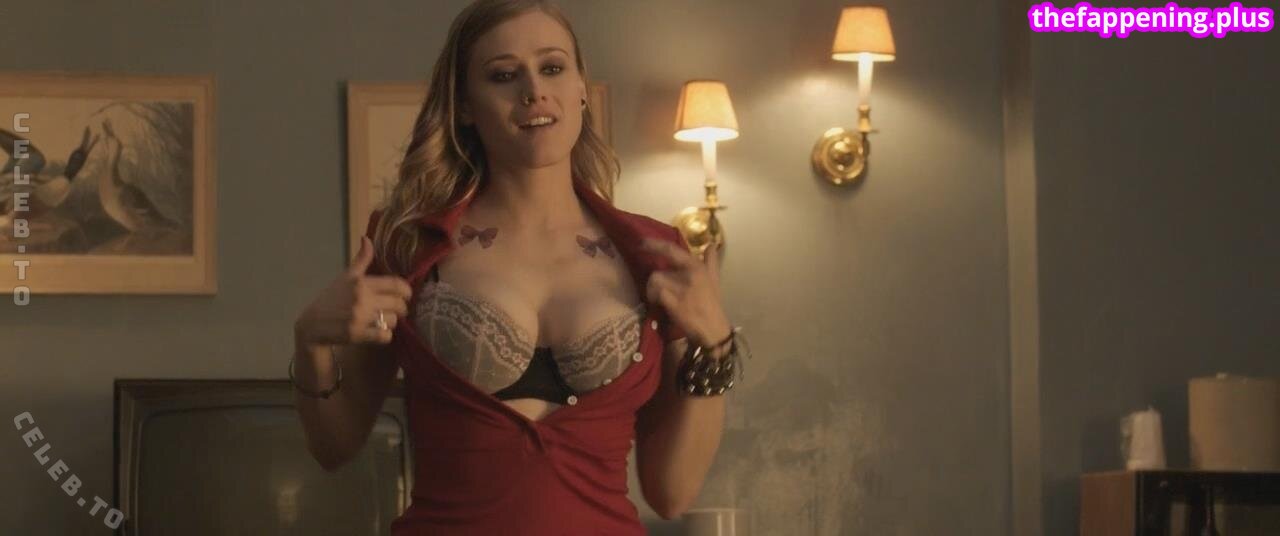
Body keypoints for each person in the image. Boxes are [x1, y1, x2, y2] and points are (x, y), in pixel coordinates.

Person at [290, 1, 751, 533]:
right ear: (465, 106)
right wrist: (310, 342)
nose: (533, 90)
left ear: (580, 89)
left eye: (551, 67)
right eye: (504, 75)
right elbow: (334, 445)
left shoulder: (654, 254)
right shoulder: (405, 245)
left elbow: (671, 493)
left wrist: (716, 346)